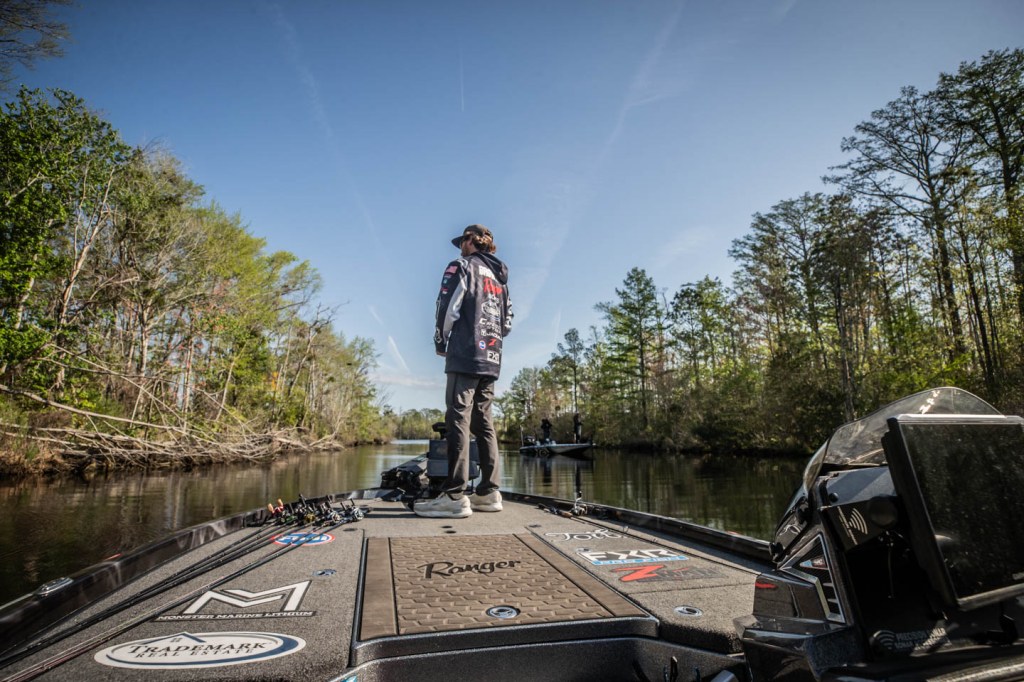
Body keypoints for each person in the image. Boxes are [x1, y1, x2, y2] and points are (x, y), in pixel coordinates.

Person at [414, 224, 513, 518]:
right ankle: (489, 492)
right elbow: (507, 323)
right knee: (484, 422)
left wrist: (440, 340)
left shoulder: (461, 266)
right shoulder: (500, 278)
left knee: (457, 418)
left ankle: (454, 495)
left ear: (472, 241)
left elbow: (447, 306)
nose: (460, 247)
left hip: (466, 353)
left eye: (463, 241)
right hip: (492, 356)